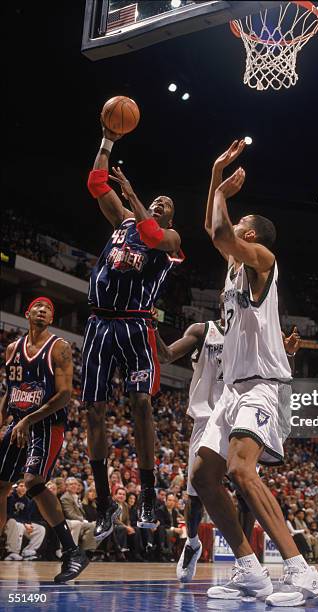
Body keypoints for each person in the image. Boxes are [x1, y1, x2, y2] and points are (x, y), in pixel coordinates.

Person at [191, 141, 318, 606]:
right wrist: (214, 174)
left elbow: (222, 232)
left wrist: (222, 193)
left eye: (241, 229)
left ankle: (301, 571)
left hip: (264, 387)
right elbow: (214, 231)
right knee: (203, 478)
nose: (233, 233)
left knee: (242, 471)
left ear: (253, 238)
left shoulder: (264, 262)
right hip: (232, 390)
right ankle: (249, 570)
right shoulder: (231, 270)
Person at [82, 122, 184, 543]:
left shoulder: (171, 240)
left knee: (141, 402)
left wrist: (136, 197)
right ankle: (105, 502)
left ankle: (146, 492)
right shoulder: (122, 222)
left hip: (137, 325)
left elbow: (153, 232)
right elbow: (94, 182)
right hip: (99, 323)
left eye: (166, 203)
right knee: (92, 412)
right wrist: (107, 139)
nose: (159, 205)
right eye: (155, 201)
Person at [155, 292, 300, 582]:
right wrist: (150, 327)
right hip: (208, 417)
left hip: (242, 413)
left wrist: (290, 354)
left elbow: (282, 376)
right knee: (197, 494)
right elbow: (166, 355)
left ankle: (245, 564)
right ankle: (193, 542)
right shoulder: (202, 331)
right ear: (224, 305)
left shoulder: (256, 334)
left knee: (246, 491)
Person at [0, 297, 89, 581]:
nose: (42, 310)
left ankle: (73, 552)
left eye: (48, 308)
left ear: (51, 318)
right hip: (17, 423)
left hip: (46, 424)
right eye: (37, 306)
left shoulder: (59, 347)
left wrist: (28, 419)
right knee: (0, 484)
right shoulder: (13, 349)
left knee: (33, 482)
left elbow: (64, 396)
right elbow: (9, 392)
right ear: (27, 313)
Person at [4, 481, 45, 560]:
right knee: (18, 525)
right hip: (15, 523)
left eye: (25, 486)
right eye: (21, 486)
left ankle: (29, 551)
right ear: (16, 488)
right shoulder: (10, 498)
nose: (23, 488)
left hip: (23, 523)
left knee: (41, 529)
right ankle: (14, 552)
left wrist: (28, 524)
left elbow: (27, 516)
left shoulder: (27, 500)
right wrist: (24, 524)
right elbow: (10, 515)